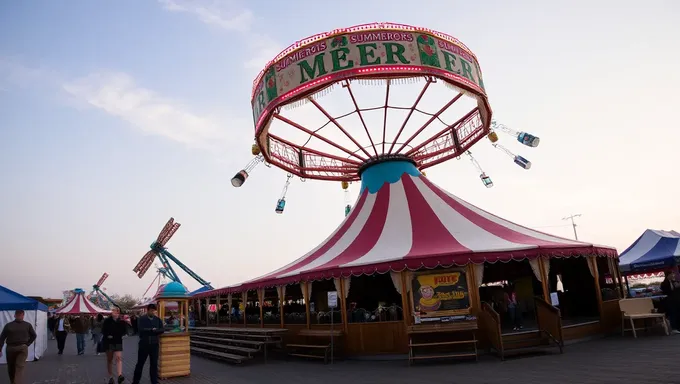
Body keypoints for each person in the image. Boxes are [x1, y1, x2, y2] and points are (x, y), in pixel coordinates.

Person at [0, 309, 37, 384]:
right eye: (19, 315)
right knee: (15, 367)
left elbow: (2, 338)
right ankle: (14, 382)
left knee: (16, 367)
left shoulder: (9, 325)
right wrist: (28, 343)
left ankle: (15, 382)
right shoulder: (27, 325)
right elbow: (34, 335)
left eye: (19, 315)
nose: (19, 317)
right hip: (20, 347)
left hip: (14, 348)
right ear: (23, 316)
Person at [132, 304, 164, 384]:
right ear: (148, 310)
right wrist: (151, 330)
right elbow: (140, 330)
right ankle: (135, 381)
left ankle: (154, 381)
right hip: (144, 344)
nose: (153, 312)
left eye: (154, 311)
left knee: (154, 364)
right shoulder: (142, 319)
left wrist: (155, 331)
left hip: (154, 345)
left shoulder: (157, 320)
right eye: (151, 311)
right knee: (140, 363)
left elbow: (162, 329)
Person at [102, 307, 127, 384]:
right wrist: (108, 335)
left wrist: (123, 334)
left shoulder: (122, 321)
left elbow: (124, 331)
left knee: (118, 358)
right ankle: (111, 376)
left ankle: (119, 375)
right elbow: (103, 331)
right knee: (110, 359)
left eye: (117, 312)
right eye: (114, 311)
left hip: (118, 341)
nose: (116, 313)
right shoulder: (107, 321)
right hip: (109, 342)